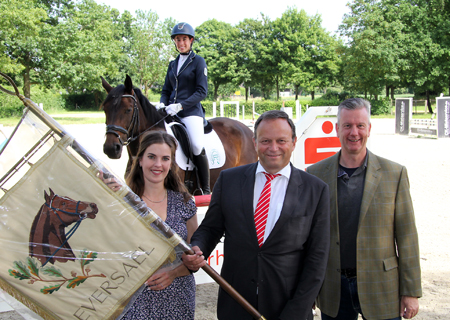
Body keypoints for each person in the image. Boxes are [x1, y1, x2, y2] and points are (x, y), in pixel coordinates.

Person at [182, 110, 330, 320]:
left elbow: (317, 260)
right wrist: (198, 247)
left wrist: (296, 312)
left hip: (287, 308)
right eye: (266, 141)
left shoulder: (316, 190)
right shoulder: (229, 179)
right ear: (254, 142)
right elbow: (210, 228)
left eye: (281, 140)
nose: (273, 148)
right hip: (235, 304)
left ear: (294, 142)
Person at [306, 98, 422, 320]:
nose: (354, 132)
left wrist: (411, 291)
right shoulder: (315, 174)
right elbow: (309, 238)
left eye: (360, 125)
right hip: (333, 289)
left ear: (369, 128)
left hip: (382, 286)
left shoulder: (394, 174)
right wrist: (308, 289)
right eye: (347, 125)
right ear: (337, 129)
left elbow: (407, 236)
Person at [103, 131, 198, 320]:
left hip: (177, 298)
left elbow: (195, 258)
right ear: (139, 160)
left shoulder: (185, 203)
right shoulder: (123, 201)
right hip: (133, 298)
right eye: (151, 157)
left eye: (165, 159)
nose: (158, 165)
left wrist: (173, 273)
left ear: (171, 164)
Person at [157, 22, 210, 195]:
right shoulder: (172, 64)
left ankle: (205, 189)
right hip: (170, 112)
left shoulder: (198, 62)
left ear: (191, 40)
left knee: (196, 145)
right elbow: (166, 90)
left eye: (184, 39)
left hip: (190, 112)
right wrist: (162, 103)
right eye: (178, 40)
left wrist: (180, 105)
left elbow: (202, 91)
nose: (181, 43)